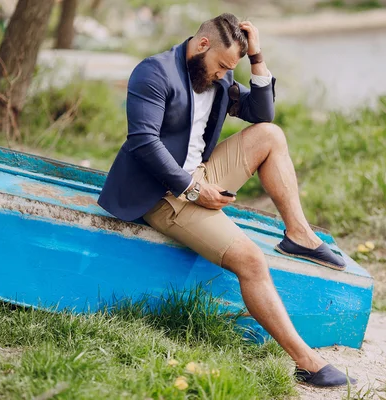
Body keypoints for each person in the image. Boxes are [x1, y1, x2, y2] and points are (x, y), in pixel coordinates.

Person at [98, 13, 356, 388]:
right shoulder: (153, 73)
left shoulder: (218, 76)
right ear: (202, 44)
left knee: (270, 135)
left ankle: (298, 235)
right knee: (251, 260)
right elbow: (143, 142)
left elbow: (261, 114)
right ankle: (307, 362)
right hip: (162, 193)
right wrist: (194, 189)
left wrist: (257, 57)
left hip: (200, 174)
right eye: (221, 65)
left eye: (229, 68)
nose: (223, 75)